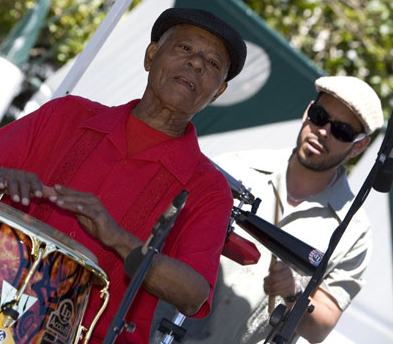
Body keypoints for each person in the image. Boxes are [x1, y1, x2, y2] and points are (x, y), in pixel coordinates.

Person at [0, 8, 247, 343]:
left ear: (218, 92)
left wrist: (117, 238)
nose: (196, 64)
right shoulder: (67, 113)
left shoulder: (208, 188)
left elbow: (193, 295)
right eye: (185, 49)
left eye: (212, 65)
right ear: (151, 55)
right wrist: (0, 178)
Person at [152, 76, 383, 343]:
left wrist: (294, 292)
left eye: (342, 131)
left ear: (359, 146)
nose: (323, 131)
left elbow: (320, 328)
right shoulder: (238, 168)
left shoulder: (353, 232)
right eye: (319, 116)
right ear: (307, 112)